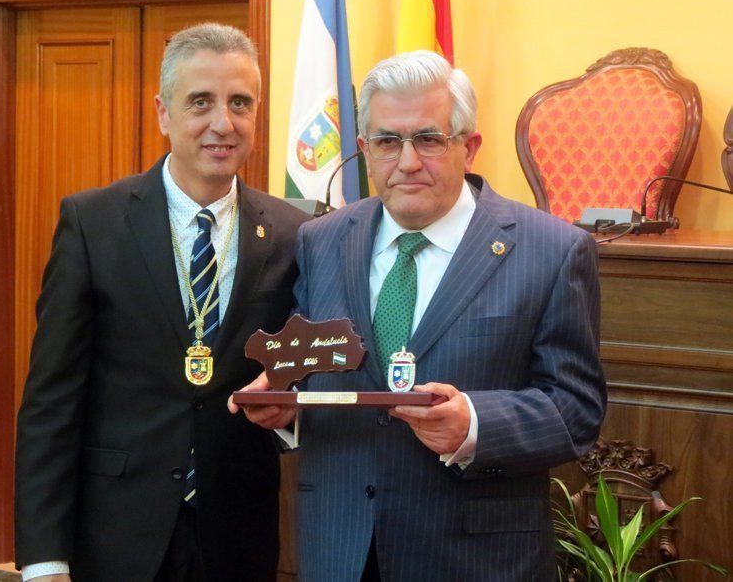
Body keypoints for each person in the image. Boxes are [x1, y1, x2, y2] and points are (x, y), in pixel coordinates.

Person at [230, 50, 606, 581]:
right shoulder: (322, 240)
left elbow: (577, 410)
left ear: (469, 147)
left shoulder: (552, 251)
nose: (406, 162)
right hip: (339, 551)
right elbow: (310, 362)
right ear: (364, 149)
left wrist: (475, 424)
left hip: (475, 561)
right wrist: (284, 405)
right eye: (387, 141)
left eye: (428, 139)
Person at [15, 23, 308, 582]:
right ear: (163, 113)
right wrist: (44, 558)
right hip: (116, 533)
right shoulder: (93, 224)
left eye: (240, 103)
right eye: (201, 102)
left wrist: (293, 409)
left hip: (238, 535)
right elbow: (50, 402)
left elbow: (301, 373)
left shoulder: (296, 233)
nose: (223, 123)